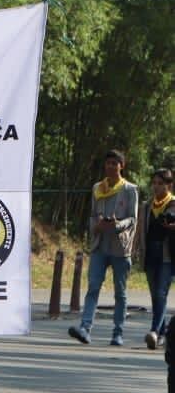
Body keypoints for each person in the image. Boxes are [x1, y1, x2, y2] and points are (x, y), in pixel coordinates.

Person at [70, 150, 138, 347]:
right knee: (93, 287)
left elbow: (133, 218)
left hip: (120, 247)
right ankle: (85, 328)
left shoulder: (130, 189)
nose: (111, 167)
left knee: (120, 292)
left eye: (115, 163)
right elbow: (92, 214)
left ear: (121, 166)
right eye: (108, 163)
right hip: (100, 245)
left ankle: (118, 333)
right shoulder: (97, 188)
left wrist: (117, 224)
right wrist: (97, 225)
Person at [145, 169, 175, 350]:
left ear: (169, 185)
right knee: (155, 295)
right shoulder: (148, 205)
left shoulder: (173, 203)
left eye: (160, 183)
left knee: (161, 293)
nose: (156, 187)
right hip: (150, 253)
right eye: (154, 183)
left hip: (167, 254)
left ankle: (154, 331)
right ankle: (162, 334)